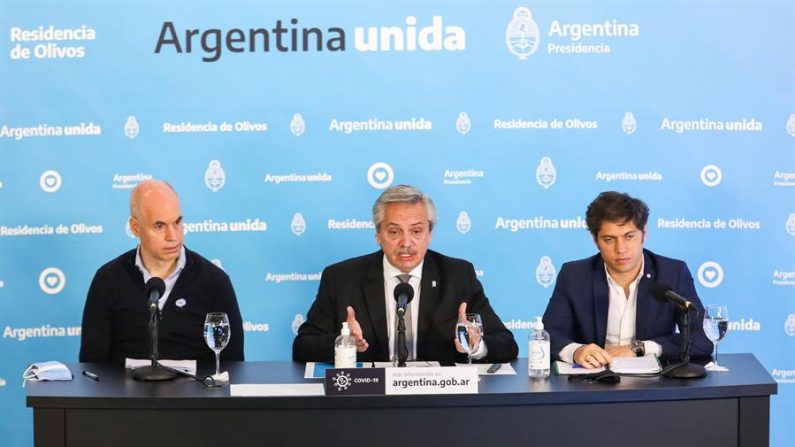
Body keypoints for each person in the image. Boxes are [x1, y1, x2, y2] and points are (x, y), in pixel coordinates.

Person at [293, 185, 518, 365]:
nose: (406, 243)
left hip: (439, 402)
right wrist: (344, 342)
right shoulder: (341, 278)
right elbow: (302, 346)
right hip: (369, 403)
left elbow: (506, 344)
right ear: (378, 235)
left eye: (416, 231)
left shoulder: (458, 276)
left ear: (430, 234)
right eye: (394, 232)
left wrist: (475, 345)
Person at [79, 180, 244, 363]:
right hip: (126, 391)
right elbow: (92, 364)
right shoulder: (108, 279)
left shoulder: (214, 281)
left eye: (177, 222)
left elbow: (232, 364)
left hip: (196, 390)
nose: (172, 236)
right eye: (159, 226)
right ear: (135, 228)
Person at [542, 191, 713, 368]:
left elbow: (702, 338)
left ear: (643, 234)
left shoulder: (672, 272)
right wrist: (576, 351)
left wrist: (641, 348)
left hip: (653, 386)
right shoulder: (574, 275)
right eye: (609, 239)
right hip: (592, 383)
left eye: (629, 236)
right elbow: (548, 335)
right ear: (596, 240)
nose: (621, 249)